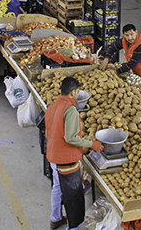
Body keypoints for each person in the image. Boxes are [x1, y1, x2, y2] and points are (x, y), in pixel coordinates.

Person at [45, 77, 104, 230]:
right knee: (74, 196)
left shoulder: (53, 106)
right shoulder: (70, 110)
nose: (77, 94)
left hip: (53, 156)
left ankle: (55, 218)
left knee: (58, 187)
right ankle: (73, 227)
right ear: (73, 92)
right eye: (77, 92)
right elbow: (71, 138)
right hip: (65, 160)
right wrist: (92, 144)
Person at [99, 24, 141, 90]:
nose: (130, 38)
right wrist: (106, 59)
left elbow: (132, 64)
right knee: (140, 90)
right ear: (124, 35)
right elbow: (113, 47)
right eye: (127, 35)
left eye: (132, 34)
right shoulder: (124, 41)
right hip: (138, 70)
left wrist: (116, 71)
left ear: (136, 32)